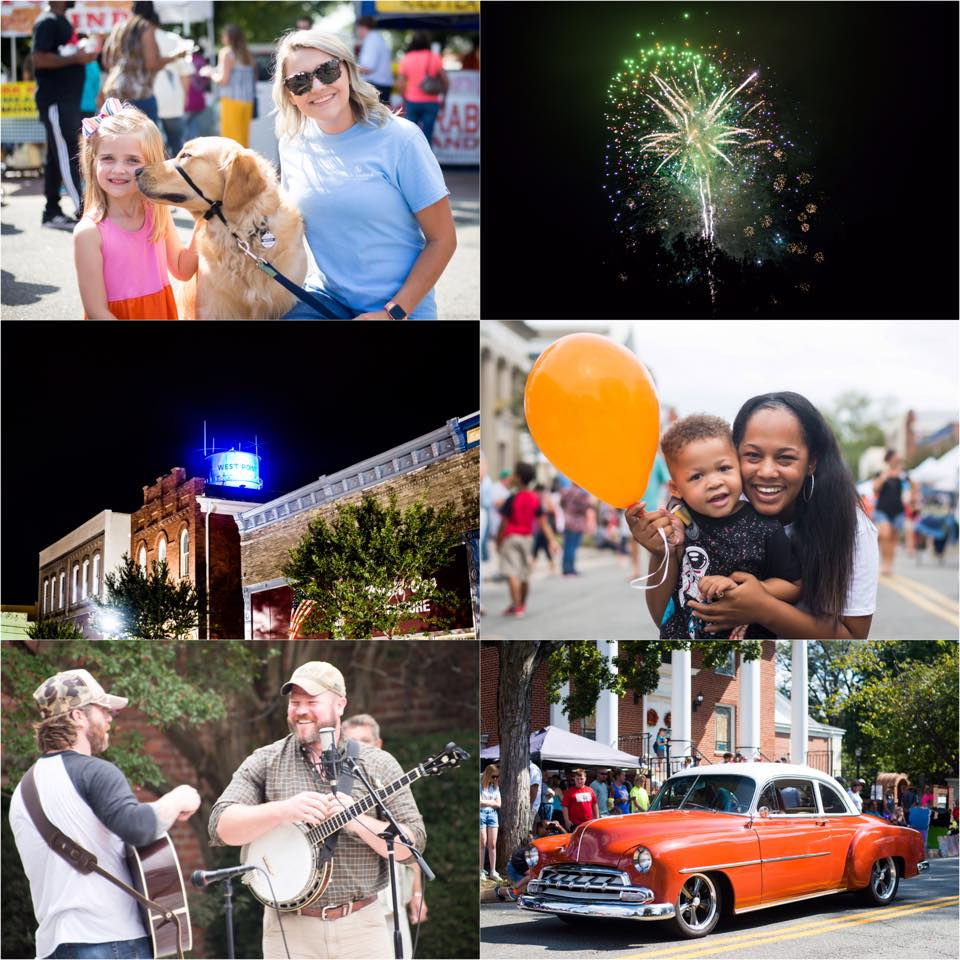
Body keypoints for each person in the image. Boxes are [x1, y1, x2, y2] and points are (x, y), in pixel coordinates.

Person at [209, 661, 425, 960]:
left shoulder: (378, 764)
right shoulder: (266, 761)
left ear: (340, 704)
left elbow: (410, 847)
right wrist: (282, 811)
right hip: (288, 930)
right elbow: (221, 825)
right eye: (294, 702)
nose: (300, 710)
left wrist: (357, 822)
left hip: (362, 927)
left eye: (311, 701)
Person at [630, 392, 880, 639]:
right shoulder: (704, 511)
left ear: (811, 462)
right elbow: (663, 618)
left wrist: (761, 607)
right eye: (753, 455)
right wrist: (661, 552)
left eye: (785, 458)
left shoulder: (851, 528)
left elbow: (854, 633)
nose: (767, 471)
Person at [8, 669, 201, 960]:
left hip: (51, 947)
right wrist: (180, 797)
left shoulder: (21, 793)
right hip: (112, 941)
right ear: (77, 716)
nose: (111, 717)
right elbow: (138, 828)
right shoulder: (96, 771)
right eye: (102, 709)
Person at [273, 31, 456, 320]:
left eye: (327, 70)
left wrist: (393, 312)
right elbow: (286, 230)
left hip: (400, 308)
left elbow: (443, 240)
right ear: (290, 96)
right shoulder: (291, 143)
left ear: (348, 70)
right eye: (300, 81)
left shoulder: (400, 139)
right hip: (326, 299)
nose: (317, 86)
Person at [629, 414, 802, 640]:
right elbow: (659, 615)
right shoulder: (679, 526)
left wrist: (748, 590)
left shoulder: (765, 527)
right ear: (676, 488)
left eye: (723, 468)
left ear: (739, 468)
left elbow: (793, 587)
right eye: (697, 476)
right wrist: (662, 552)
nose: (714, 482)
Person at [74, 100, 199, 319]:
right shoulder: (88, 233)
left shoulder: (157, 212)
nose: (119, 169)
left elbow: (182, 268)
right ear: (93, 161)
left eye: (132, 160)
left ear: (151, 164)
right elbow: (97, 312)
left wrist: (204, 220)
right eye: (107, 158)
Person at [342, 713, 425, 959]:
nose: (359, 748)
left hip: (391, 893)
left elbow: (410, 844)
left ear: (378, 744)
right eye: (352, 742)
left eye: (365, 741)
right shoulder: (338, 785)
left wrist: (418, 894)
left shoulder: (387, 781)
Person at [31, 1, 98, 231]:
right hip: (56, 101)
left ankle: (52, 212)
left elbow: (59, 55)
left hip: (64, 101)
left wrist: (81, 54)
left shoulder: (60, 21)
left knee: (56, 155)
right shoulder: (47, 22)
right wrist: (76, 58)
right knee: (67, 152)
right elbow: (39, 59)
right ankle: (84, 210)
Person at [100, 2, 188, 124]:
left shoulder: (119, 27)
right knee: (147, 141)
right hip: (139, 94)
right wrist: (175, 56)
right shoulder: (146, 28)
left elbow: (106, 61)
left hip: (116, 91)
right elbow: (151, 63)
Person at [499, 461, 557, 617]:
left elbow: (504, 523)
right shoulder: (534, 499)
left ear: (518, 477)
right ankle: (521, 606)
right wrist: (552, 540)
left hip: (511, 537)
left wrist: (499, 540)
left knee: (511, 572)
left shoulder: (512, 498)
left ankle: (515, 604)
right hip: (528, 539)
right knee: (524, 574)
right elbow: (543, 523)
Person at [203, 24, 255, 147]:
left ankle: (235, 166)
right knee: (243, 139)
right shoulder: (247, 54)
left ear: (230, 37)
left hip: (231, 100)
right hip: (247, 101)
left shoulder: (227, 53)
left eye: (224, 35)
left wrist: (210, 74)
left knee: (231, 140)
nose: (222, 37)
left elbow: (224, 80)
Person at [150, 15, 192, 156]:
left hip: (148, 100)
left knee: (152, 148)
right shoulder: (174, 39)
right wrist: (184, 99)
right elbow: (185, 74)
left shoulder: (138, 40)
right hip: (173, 102)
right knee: (177, 147)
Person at [397, 31, 446, 152]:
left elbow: (400, 83)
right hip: (431, 102)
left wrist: (404, 98)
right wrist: (444, 97)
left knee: (409, 135)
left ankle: (410, 163)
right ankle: (427, 163)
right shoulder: (434, 57)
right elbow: (445, 79)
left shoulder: (406, 58)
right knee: (428, 134)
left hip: (412, 101)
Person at [874, 450, 908, 576]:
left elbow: (914, 486)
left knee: (893, 540)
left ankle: (889, 564)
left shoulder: (903, 474)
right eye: (894, 457)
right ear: (888, 459)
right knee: (885, 534)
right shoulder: (881, 473)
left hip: (898, 510)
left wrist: (913, 498)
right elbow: (875, 489)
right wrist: (884, 477)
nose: (896, 459)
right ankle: (884, 562)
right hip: (883, 509)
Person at [356, 15, 394, 105]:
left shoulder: (371, 40)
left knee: (373, 117)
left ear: (363, 27)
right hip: (382, 85)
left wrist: (349, 68)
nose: (357, 32)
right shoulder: (377, 38)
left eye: (357, 28)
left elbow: (368, 67)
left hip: (376, 86)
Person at [559, 484, 596, 576]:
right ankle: (570, 569)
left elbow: (561, 503)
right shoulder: (581, 494)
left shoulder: (566, 491)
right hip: (577, 523)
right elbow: (587, 506)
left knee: (567, 546)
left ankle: (565, 568)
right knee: (572, 547)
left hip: (567, 521)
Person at [182, 42, 213, 141]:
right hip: (200, 99)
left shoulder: (186, 60)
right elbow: (207, 79)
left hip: (187, 99)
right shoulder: (202, 61)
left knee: (184, 130)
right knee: (193, 126)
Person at [480, 764, 502, 881]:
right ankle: (481, 869)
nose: (495, 779)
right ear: (488, 775)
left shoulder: (495, 787)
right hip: (481, 814)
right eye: (493, 776)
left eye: (497, 777)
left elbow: (499, 804)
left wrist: (486, 802)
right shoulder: (480, 784)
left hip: (492, 814)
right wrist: (491, 802)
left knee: (492, 844)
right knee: (482, 842)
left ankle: (493, 870)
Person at [77, 33, 101, 120]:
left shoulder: (71, 63)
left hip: (73, 107)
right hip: (90, 107)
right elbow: (97, 87)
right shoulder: (94, 64)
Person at [528, 759, 543, 830]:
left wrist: (530, 804)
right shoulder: (530, 767)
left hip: (531, 807)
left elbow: (534, 787)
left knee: (529, 831)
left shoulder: (533, 768)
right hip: (530, 806)